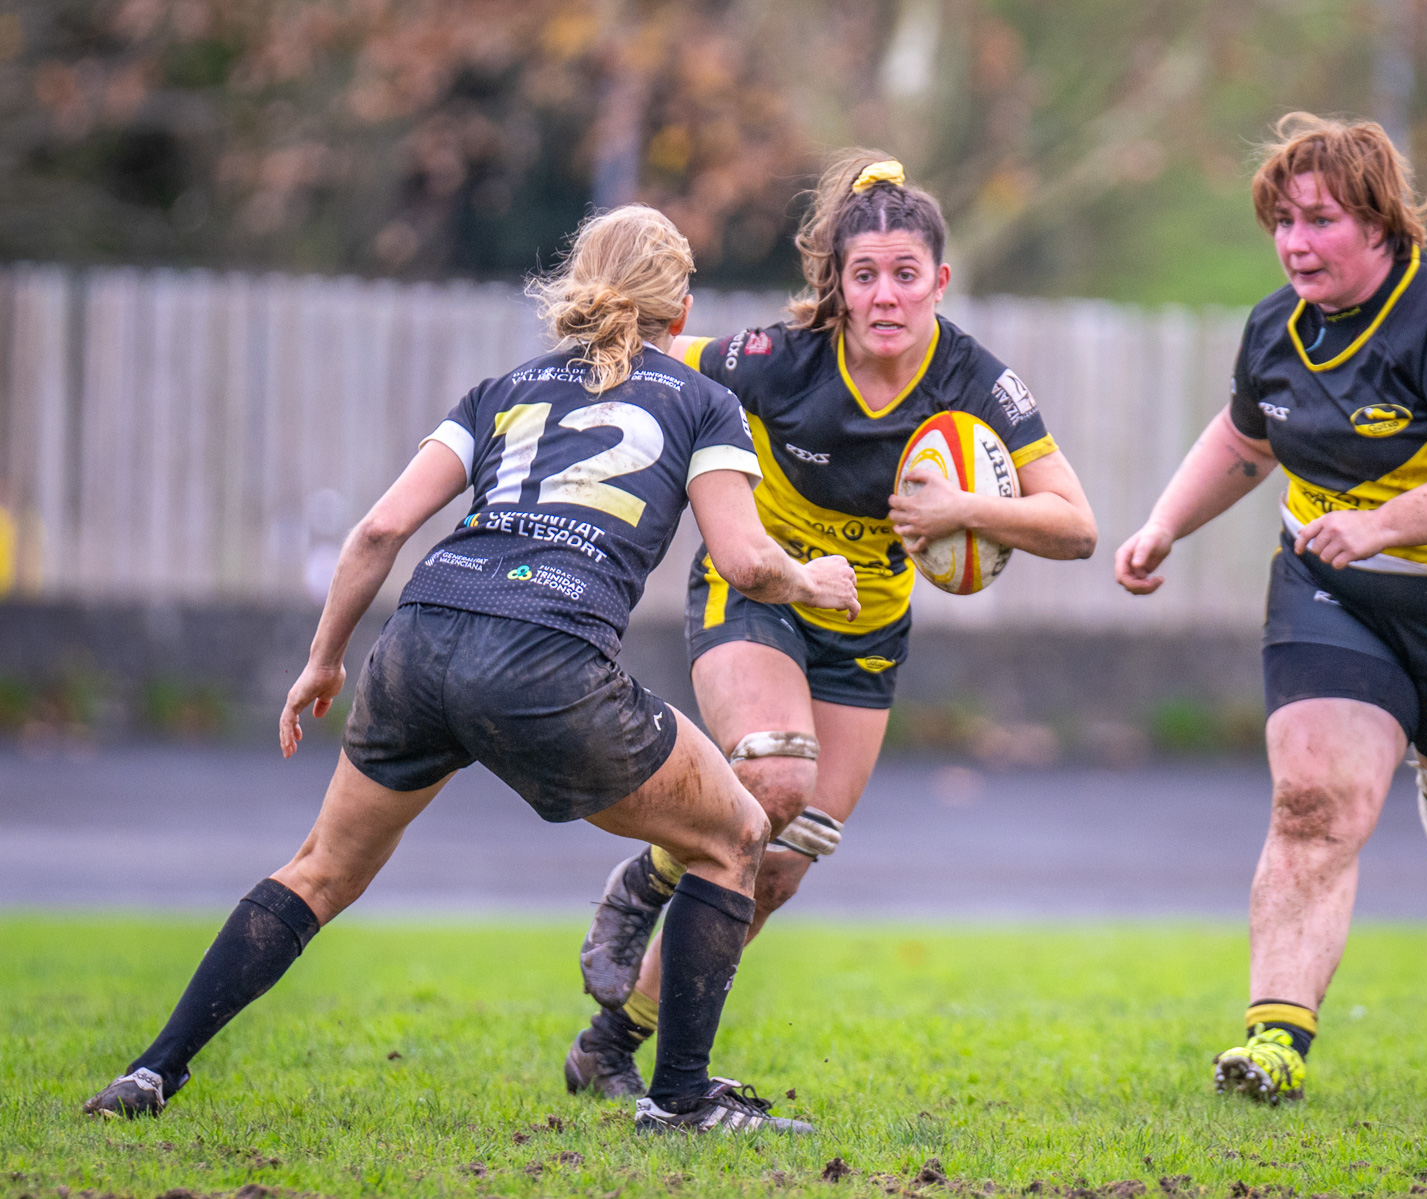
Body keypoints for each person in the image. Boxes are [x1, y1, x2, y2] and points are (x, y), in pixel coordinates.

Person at [81, 205, 859, 1134]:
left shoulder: (500, 390)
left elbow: (378, 530)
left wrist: (324, 658)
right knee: (733, 832)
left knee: (321, 870)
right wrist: (812, 579)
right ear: (680, 306)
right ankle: (684, 1100)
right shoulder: (700, 400)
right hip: (544, 658)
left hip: (417, 641)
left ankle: (150, 1071)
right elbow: (743, 559)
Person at [564, 150, 1098, 1097]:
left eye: (905, 274)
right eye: (865, 276)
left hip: (867, 632)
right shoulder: (782, 360)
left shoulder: (976, 380)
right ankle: (647, 878)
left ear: (939, 279)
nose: (886, 294)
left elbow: (1077, 525)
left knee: (778, 865)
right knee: (769, 776)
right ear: (839, 288)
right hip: (761, 595)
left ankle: (614, 1042)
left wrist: (965, 514)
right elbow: (652, 364)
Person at [1116, 114, 1427, 1106]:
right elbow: (1248, 439)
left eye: (1320, 219)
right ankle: (1275, 1039)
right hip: (1335, 588)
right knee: (1312, 805)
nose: (1295, 242)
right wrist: (1165, 523)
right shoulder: (1276, 328)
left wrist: (1382, 524)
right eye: (1282, 222)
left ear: (1382, 222)